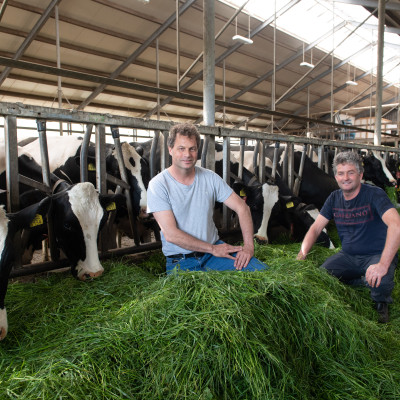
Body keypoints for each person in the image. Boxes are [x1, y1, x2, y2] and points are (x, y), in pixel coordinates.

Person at [147, 123, 268, 274]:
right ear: (170, 150)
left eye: (192, 148)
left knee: (262, 273)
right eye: (181, 148)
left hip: (215, 255)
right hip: (181, 260)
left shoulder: (210, 177)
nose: (187, 154)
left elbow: (242, 208)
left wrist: (249, 247)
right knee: (194, 297)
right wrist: (213, 248)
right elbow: (171, 234)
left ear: (198, 150)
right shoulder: (158, 185)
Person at [297, 151, 400, 323]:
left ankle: (381, 303)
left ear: (360, 175)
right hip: (348, 256)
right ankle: (361, 281)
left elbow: (396, 225)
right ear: (336, 176)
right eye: (341, 173)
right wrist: (302, 254)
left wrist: (382, 264)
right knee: (322, 276)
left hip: (376, 255)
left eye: (351, 172)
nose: (346, 178)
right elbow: (315, 228)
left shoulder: (375, 194)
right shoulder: (334, 198)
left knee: (380, 281)